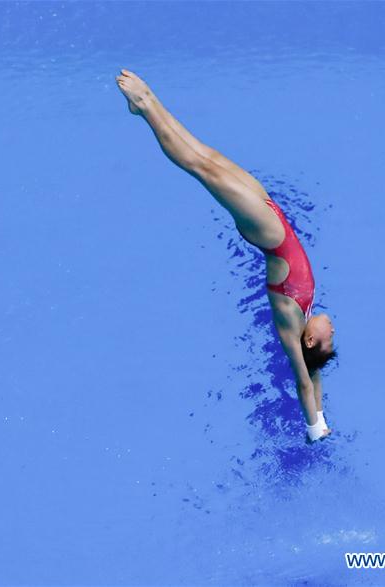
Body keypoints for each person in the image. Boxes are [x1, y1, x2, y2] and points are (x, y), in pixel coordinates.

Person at [116, 69, 337, 444]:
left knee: (200, 167)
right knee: (208, 155)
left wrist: (314, 429)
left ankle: (146, 104)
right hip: (271, 216)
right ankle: (145, 106)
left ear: (311, 342)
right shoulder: (305, 320)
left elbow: (303, 379)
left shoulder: (291, 324)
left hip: (268, 232)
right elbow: (315, 378)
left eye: (328, 338)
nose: (331, 330)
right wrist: (322, 415)